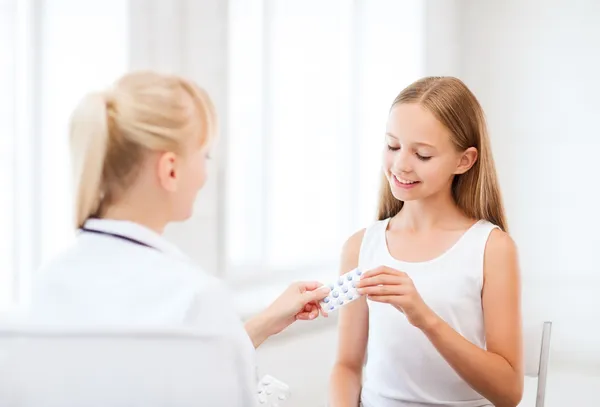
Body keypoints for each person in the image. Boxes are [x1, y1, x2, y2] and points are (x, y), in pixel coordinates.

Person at [22, 71, 330, 404]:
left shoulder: (48, 282)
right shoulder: (194, 296)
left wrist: (265, 321)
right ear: (170, 170)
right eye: (204, 156)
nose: (205, 174)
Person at [329, 77, 523, 407]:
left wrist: (425, 318)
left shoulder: (491, 248)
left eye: (422, 154)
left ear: (464, 161)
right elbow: (347, 366)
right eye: (392, 146)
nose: (401, 164)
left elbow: (508, 393)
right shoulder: (360, 247)